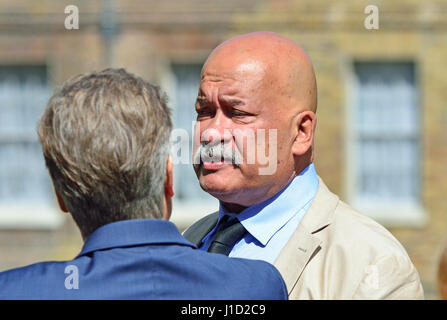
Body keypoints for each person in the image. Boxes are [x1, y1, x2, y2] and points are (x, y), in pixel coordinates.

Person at [0, 68, 287, 300]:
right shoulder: (256, 286)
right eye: (205, 112)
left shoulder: (15, 290)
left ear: (60, 196)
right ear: (169, 179)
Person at [184, 32, 424, 299]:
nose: (211, 133)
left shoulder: (372, 267)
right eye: (204, 111)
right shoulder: (190, 242)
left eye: (238, 114)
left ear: (301, 133)